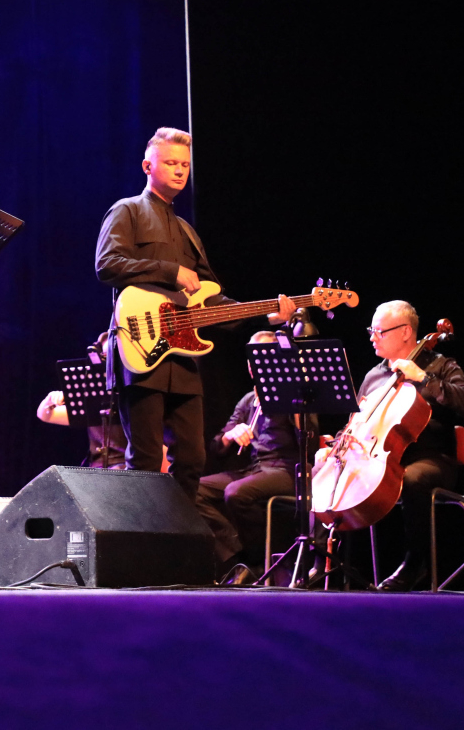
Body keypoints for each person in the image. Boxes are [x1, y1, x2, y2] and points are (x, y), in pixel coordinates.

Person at [95, 127, 295, 499]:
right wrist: (169, 270)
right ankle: (141, 535)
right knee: (145, 458)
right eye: (171, 163)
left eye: (184, 165)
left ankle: (178, 532)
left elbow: (212, 302)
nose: (179, 170)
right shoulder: (128, 210)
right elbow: (107, 264)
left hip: (183, 358)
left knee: (191, 457)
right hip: (140, 349)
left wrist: (266, 315)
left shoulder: (188, 231)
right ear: (147, 166)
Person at [330, 300, 464, 592]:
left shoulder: (440, 365)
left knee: (411, 478)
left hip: (431, 459)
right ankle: (332, 566)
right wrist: (337, 445)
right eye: (371, 331)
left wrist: (424, 378)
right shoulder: (373, 376)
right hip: (381, 458)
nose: (372, 337)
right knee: (331, 473)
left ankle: (415, 563)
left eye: (379, 331)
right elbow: (356, 423)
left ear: (406, 332)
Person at [195, 331, 301, 584]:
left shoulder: (293, 394)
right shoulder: (249, 400)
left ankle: (257, 560)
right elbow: (217, 446)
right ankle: (238, 556)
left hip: (286, 468)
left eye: (261, 356)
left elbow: (308, 436)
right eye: (251, 357)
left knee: (236, 492)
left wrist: (293, 397)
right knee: (193, 490)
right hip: (255, 470)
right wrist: (230, 435)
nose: (253, 362)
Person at [35, 331, 127, 468]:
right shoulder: (93, 399)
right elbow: (45, 415)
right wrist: (51, 399)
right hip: (95, 470)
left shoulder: (133, 395)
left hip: (126, 470)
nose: (109, 361)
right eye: (105, 356)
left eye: (114, 355)